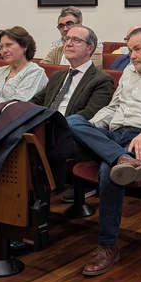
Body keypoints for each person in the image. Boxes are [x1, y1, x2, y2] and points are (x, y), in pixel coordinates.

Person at [66, 27, 141, 276]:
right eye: (130, 49)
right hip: (115, 136)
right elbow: (113, 108)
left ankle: (108, 246)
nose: (131, 55)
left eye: (137, 49)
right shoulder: (128, 73)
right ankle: (120, 158)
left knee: (109, 172)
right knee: (73, 122)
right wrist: (93, 127)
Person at [30, 25, 114, 203]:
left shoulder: (101, 79)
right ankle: (21, 189)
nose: (68, 43)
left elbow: (90, 113)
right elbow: (37, 100)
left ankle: (47, 189)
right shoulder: (58, 76)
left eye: (76, 40)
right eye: (66, 39)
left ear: (90, 48)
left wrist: (56, 125)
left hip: (70, 131)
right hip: (45, 126)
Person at [0, 26, 47, 110]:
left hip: (10, 117)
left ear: (24, 46)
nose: (4, 51)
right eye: (1, 47)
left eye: (8, 45)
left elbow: (17, 105)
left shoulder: (35, 72)